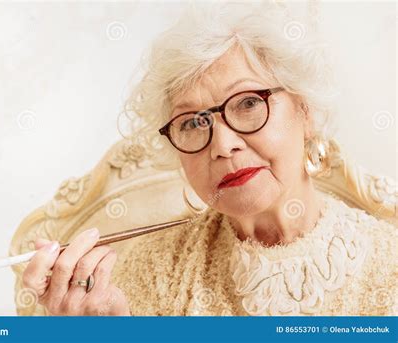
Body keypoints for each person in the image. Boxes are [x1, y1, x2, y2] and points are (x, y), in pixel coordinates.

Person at [21, 2, 397, 316]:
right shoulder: (148, 272)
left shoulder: (389, 266)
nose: (222, 145)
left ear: (305, 109)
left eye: (249, 103)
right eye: (191, 123)